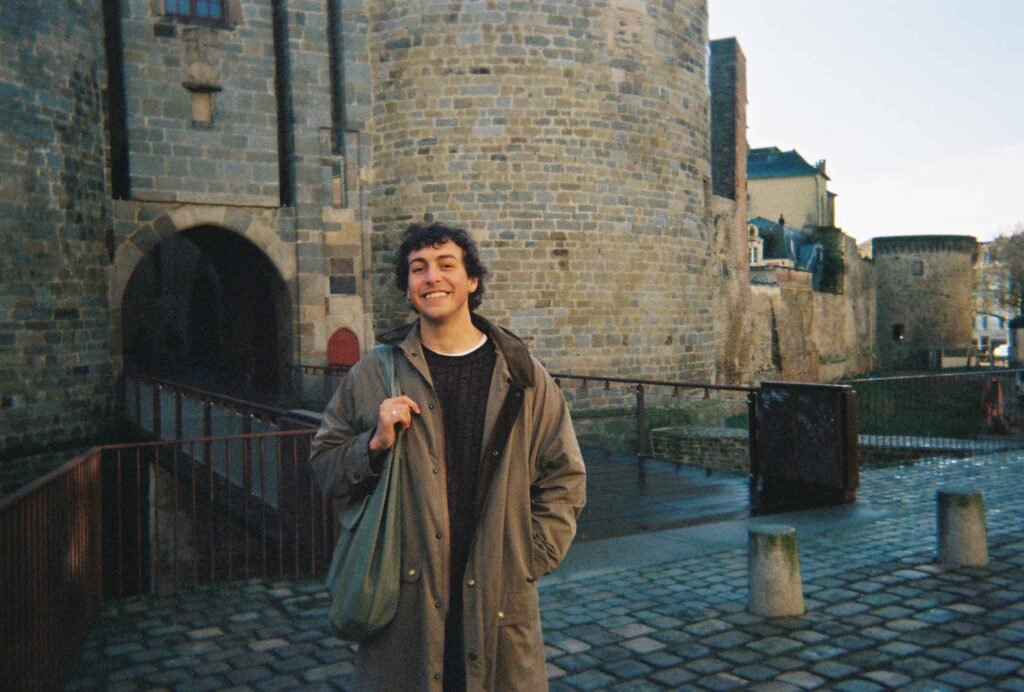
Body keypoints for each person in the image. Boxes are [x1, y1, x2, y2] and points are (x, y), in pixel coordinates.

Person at [309, 221, 586, 691]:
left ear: (471, 280)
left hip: (498, 595)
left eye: (445, 265)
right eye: (418, 269)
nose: (431, 277)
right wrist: (372, 444)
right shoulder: (375, 372)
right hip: (405, 602)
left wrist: (530, 554)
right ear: (408, 287)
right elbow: (325, 467)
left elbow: (565, 476)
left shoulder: (522, 375)